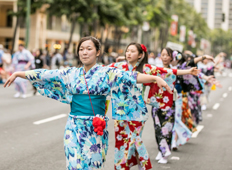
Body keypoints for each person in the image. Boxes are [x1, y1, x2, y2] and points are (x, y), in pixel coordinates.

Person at [4, 36, 172, 170]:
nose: (84, 52)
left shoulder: (108, 72)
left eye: (89, 49)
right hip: (73, 125)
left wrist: (155, 78)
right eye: (81, 49)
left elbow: (133, 77)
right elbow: (47, 74)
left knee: (92, 165)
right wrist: (20, 73)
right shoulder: (70, 73)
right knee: (74, 164)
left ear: (98, 52)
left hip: (95, 127)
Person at [108, 43, 153, 170]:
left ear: (140, 55)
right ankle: (121, 167)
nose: (128, 53)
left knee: (134, 140)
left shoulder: (146, 69)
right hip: (120, 111)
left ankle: (143, 166)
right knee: (121, 142)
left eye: (132, 51)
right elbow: (100, 71)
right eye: (127, 51)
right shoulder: (118, 66)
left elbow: (167, 71)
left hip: (138, 112)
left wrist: (188, 71)